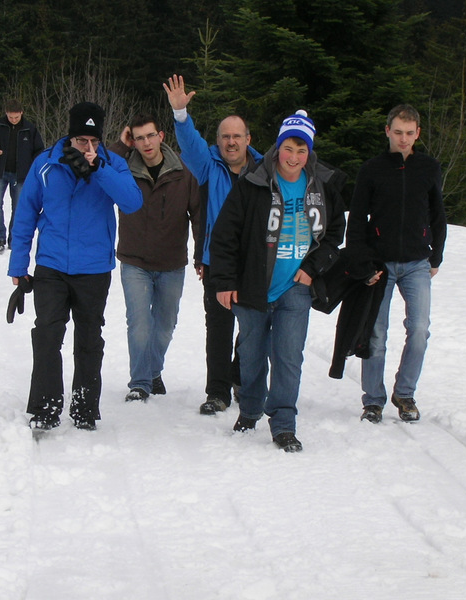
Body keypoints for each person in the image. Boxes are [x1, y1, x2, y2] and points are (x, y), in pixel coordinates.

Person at [210, 110, 345, 452]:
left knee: (288, 357)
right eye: (288, 149)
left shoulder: (323, 184)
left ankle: (284, 423)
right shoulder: (254, 181)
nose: (294, 158)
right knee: (251, 355)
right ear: (277, 148)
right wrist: (224, 281)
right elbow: (224, 235)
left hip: (296, 287)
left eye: (302, 151)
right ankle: (250, 410)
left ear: (309, 152)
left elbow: (334, 234)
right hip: (252, 286)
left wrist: (312, 268)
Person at [8, 102, 143, 432]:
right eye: (82, 140)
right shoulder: (46, 163)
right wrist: (19, 265)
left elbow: (132, 202)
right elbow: (25, 214)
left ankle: (84, 409)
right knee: (47, 335)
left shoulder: (113, 164)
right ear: (70, 137)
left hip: (94, 268)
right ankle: (46, 407)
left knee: (89, 341)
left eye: (94, 141)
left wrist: (99, 169)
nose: (88, 147)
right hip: (52, 265)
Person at [163, 74, 263, 415]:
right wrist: (180, 115)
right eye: (225, 137)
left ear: (248, 139)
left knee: (252, 328)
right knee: (219, 329)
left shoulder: (264, 171)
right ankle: (218, 392)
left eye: (237, 136)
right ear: (218, 141)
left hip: (255, 262)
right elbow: (190, 144)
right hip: (217, 261)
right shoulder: (208, 165)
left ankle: (239, 376)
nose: (231, 142)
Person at [346, 104, 447, 424]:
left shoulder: (428, 167)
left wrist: (436, 255)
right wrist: (362, 263)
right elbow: (356, 219)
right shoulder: (372, 169)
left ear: (418, 134)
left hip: (417, 262)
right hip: (381, 263)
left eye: (410, 133)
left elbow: (438, 214)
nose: (403, 139)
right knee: (375, 333)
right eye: (398, 132)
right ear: (387, 131)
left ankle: (405, 394)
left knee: (419, 330)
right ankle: (373, 400)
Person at [108, 114, 203, 402]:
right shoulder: (123, 168)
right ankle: (140, 383)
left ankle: (152, 371)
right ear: (133, 141)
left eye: (150, 136)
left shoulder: (183, 171)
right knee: (139, 325)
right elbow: (100, 167)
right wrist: (120, 146)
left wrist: (200, 255)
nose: (146, 143)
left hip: (171, 263)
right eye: (139, 138)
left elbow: (199, 215)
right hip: (134, 261)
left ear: (161, 136)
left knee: (164, 326)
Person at [0, 99, 45, 252]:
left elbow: (39, 150)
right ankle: (0, 237)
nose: (14, 120)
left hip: (21, 176)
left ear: (21, 113)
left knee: (18, 209)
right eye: (11, 117)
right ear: (6, 113)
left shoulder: (30, 129)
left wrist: (32, 170)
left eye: (16, 117)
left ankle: (13, 239)